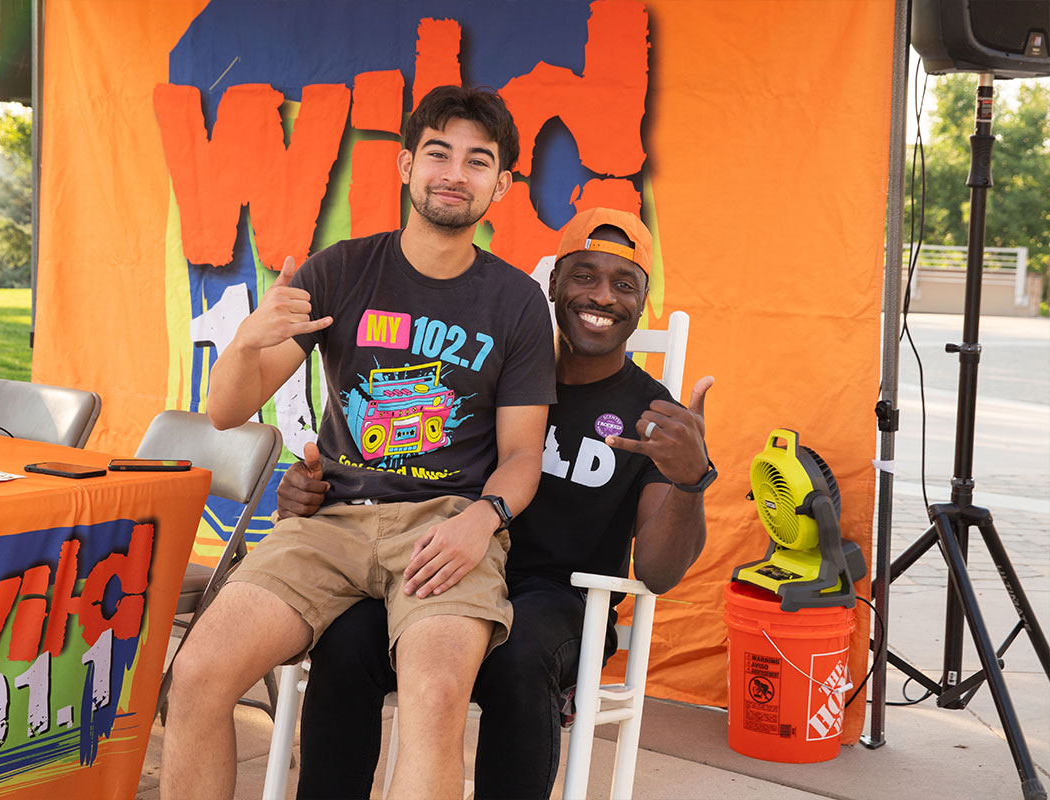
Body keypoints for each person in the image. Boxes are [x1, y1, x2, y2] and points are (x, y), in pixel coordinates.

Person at [159, 85, 557, 800]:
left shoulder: (517, 302)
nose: (453, 174)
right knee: (196, 674)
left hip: (445, 529)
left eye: (477, 161)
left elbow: (523, 454)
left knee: (433, 706)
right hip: (331, 524)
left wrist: (483, 520)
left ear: (500, 184)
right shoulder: (340, 271)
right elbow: (225, 411)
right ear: (405, 164)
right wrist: (249, 339)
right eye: (438, 153)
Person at [281, 207, 714, 799]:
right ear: (553, 285)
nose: (603, 296)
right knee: (348, 638)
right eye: (584, 275)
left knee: (519, 656)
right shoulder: (484, 372)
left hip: (558, 601)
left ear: (642, 304)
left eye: (625, 284)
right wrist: (315, 487)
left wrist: (692, 480)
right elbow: (392, 465)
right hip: (438, 569)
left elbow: (660, 573)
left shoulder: (650, 415)